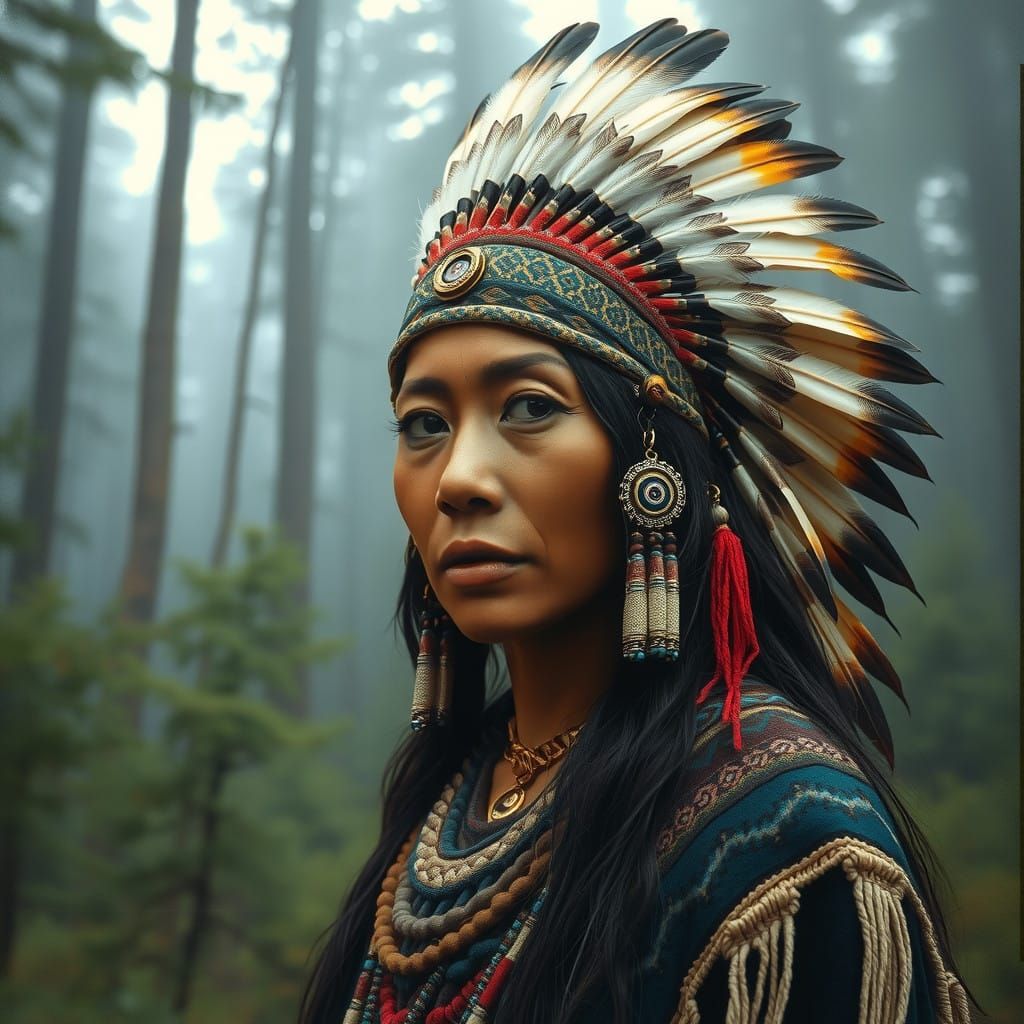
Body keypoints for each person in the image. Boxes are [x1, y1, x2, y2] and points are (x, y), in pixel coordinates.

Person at [300, 19, 973, 1024]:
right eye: (423, 425)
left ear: (649, 461)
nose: (459, 478)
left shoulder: (778, 831)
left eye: (527, 406)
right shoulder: (453, 802)